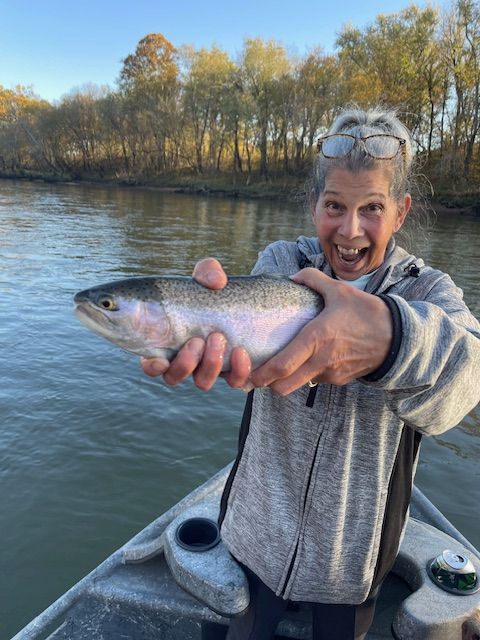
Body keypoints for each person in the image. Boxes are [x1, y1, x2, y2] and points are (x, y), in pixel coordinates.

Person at [141, 107, 480, 640]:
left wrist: (391, 340)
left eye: (372, 207)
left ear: (401, 211)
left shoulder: (430, 294)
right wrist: (195, 315)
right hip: (253, 536)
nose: (350, 230)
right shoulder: (282, 262)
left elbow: (464, 386)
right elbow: (244, 348)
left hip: (353, 567)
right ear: (313, 205)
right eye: (334, 206)